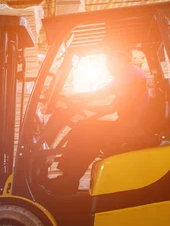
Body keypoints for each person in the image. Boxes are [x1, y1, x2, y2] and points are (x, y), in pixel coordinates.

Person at [52, 50, 149, 194]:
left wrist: (69, 97)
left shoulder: (130, 74)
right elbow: (112, 107)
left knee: (84, 134)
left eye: (108, 62)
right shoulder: (130, 75)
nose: (107, 66)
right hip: (130, 127)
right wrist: (81, 107)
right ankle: (68, 178)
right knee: (83, 127)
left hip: (131, 131)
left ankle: (68, 181)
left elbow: (101, 94)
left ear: (119, 61)